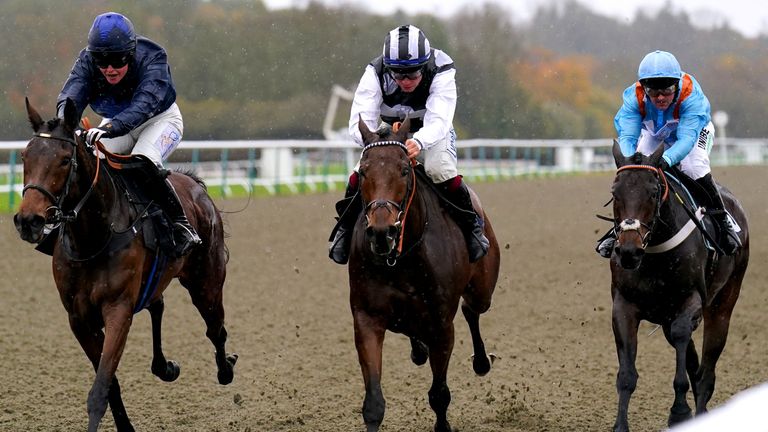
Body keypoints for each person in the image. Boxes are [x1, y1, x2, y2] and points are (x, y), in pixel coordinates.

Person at [328, 24, 489, 265]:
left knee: (439, 168)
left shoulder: (442, 69)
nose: (405, 81)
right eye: (398, 74)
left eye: (413, 74)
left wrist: (419, 141)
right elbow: (359, 122)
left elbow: (439, 120)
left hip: (432, 130)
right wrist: (376, 142)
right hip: (389, 133)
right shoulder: (374, 71)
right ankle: (345, 230)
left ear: (424, 67)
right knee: (359, 173)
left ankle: (473, 228)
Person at [56, 12, 201, 257]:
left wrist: (108, 129)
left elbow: (144, 106)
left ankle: (180, 225)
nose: (109, 69)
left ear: (131, 53)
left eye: (117, 59)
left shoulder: (153, 57)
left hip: (160, 119)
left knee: (143, 159)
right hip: (115, 123)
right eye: (102, 61)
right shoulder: (86, 62)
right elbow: (71, 95)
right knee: (92, 162)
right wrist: (65, 123)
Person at [596, 50, 741, 258]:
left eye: (667, 90)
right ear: (644, 88)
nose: (661, 97)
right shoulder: (633, 98)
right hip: (656, 131)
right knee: (636, 173)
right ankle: (619, 229)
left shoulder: (690, 96)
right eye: (654, 92)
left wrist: (664, 160)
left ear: (677, 84)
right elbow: (628, 138)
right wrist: (632, 164)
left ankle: (722, 220)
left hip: (693, 132)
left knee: (693, 166)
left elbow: (685, 141)